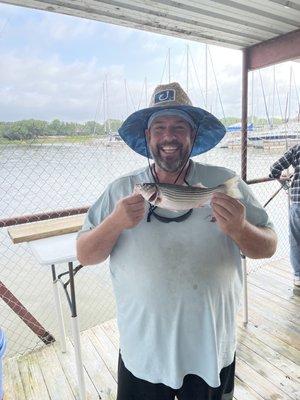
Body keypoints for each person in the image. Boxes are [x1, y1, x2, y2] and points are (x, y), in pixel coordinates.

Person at [77, 82, 277, 400]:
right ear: (147, 137)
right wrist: (115, 222)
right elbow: (85, 254)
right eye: (159, 127)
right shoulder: (121, 190)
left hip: (211, 352)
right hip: (143, 355)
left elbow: (268, 245)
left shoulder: (226, 183)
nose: (168, 136)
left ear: (192, 135)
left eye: (178, 127)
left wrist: (241, 229)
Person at [269, 144, 300, 294]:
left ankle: (298, 277)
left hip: (298, 202)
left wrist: (285, 183)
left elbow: (275, 168)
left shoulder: (297, 148)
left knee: (296, 240)